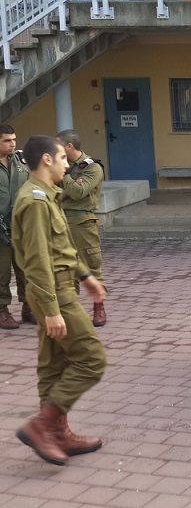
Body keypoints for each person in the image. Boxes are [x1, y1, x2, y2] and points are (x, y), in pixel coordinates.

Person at [13, 135, 107, 466]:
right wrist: (52, 311)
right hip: (53, 293)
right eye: (62, 159)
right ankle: (42, 426)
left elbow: (62, 246)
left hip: (59, 288)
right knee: (91, 359)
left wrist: (87, 277)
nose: (68, 164)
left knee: (53, 365)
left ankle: (58, 434)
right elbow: (37, 262)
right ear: (47, 160)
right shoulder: (36, 202)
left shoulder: (47, 196)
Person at [56, 129, 108, 327]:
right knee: (65, 268)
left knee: (91, 265)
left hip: (82, 223)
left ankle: (99, 307)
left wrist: (67, 175)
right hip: (60, 221)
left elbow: (78, 192)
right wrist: (69, 188)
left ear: (69, 146)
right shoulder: (58, 166)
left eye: (60, 147)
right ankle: (71, 310)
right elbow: (54, 194)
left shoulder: (92, 168)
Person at [0, 124, 30, 330]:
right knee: (1, 272)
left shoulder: (21, 162)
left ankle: (29, 307)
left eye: (14, 140)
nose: (12, 144)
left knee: (26, 270)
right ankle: (2, 310)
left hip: (21, 226)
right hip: (1, 230)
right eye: (7, 141)